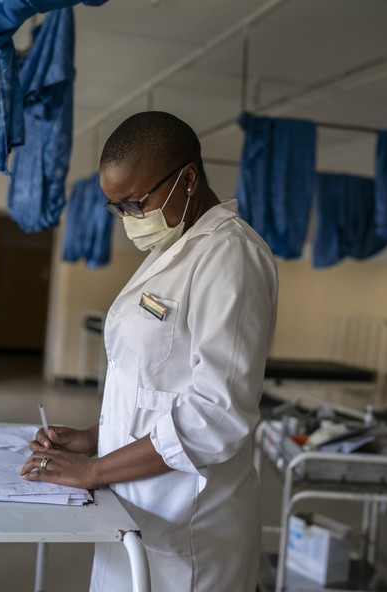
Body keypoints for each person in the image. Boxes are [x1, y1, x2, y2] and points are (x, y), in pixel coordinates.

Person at [20, 111, 278, 591]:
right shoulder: (171, 253)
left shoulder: (231, 256)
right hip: (140, 511)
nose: (130, 219)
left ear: (189, 178)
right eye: (117, 208)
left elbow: (216, 415)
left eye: (137, 202)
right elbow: (156, 388)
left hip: (189, 528)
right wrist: (97, 437)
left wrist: (95, 469)